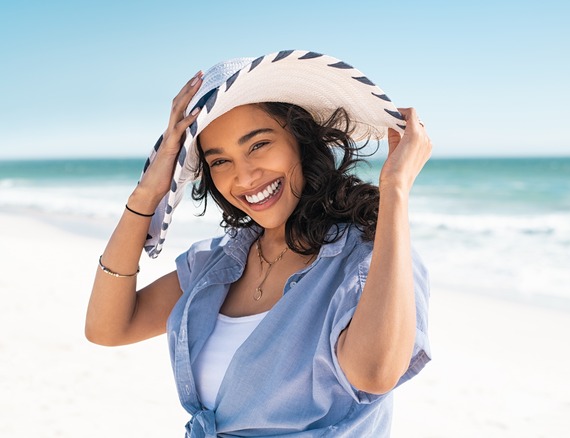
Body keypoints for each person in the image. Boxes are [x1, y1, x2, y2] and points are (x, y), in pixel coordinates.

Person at [85, 50, 432, 437]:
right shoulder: (214, 265)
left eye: (258, 145)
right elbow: (107, 328)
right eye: (220, 162)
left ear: (301, 140)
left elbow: (374, 373)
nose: (245, 176)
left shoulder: (369, 259)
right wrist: (147, 194)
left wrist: (395, 191)